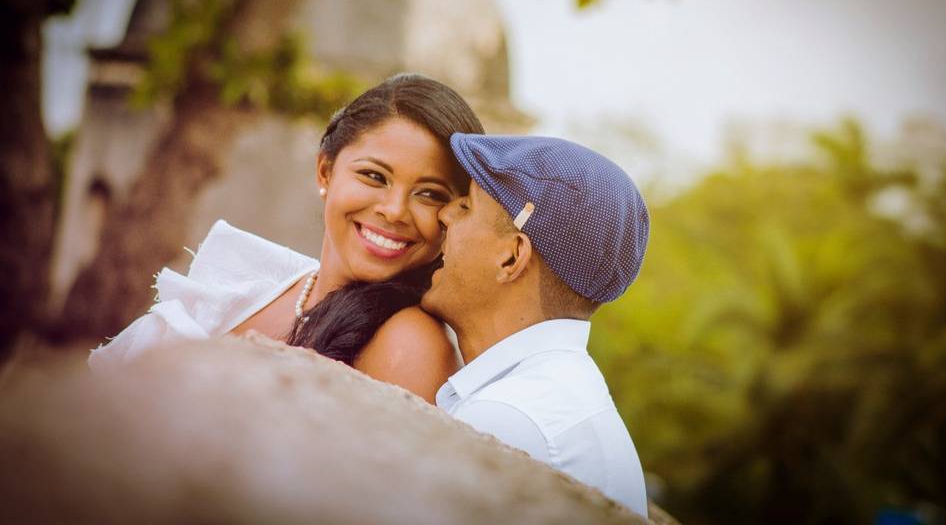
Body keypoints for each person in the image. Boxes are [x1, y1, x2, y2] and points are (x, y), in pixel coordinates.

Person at [89, 73, 485, 404]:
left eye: (430, 193)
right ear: (325, 171)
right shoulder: (257, 285)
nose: (395, 210)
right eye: (374, 176)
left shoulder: (409, 344)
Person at [420, 133, 651, 516]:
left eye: (466, 206)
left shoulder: (509, 419)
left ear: (511, 258)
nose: (444, 214)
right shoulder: (554, 396)